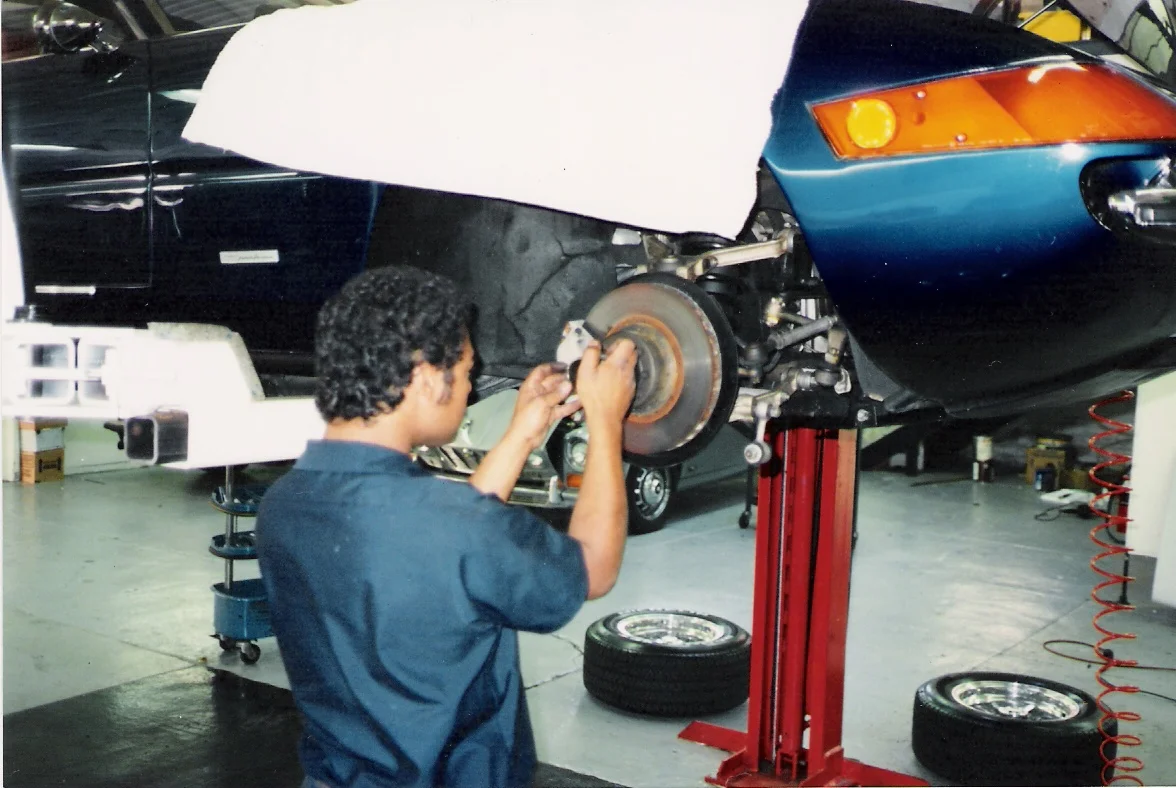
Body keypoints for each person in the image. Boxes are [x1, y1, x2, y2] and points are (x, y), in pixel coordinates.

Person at [255, 265, 637, 788]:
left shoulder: (282, 505)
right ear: (430, 380)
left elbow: (442, 542)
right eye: (466, 371)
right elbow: (594, 567)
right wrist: (605, 420)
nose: (471, 387)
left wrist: (523, 433)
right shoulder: (453, 526)